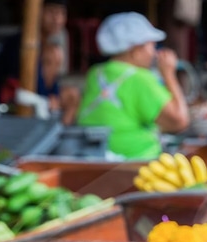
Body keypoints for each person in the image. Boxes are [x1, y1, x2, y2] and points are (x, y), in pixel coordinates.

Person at [75, 12, 190, 159]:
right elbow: (179, 122)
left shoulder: (95, 73)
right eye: (151, 46)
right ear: (135, 50)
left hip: (95, 158)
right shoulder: (140, 78)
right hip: (136, 163)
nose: (154, 53)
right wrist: (169, 74)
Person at [0, 0, 69, 107]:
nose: (57, 19)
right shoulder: (22, 43)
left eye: (61, 13)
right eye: (51, 12)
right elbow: (21, 85)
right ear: (36, 11)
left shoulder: (43, 43)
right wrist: (46, 99)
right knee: (53, 54)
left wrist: (53, 96)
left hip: (18, 97)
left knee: (70, 95)